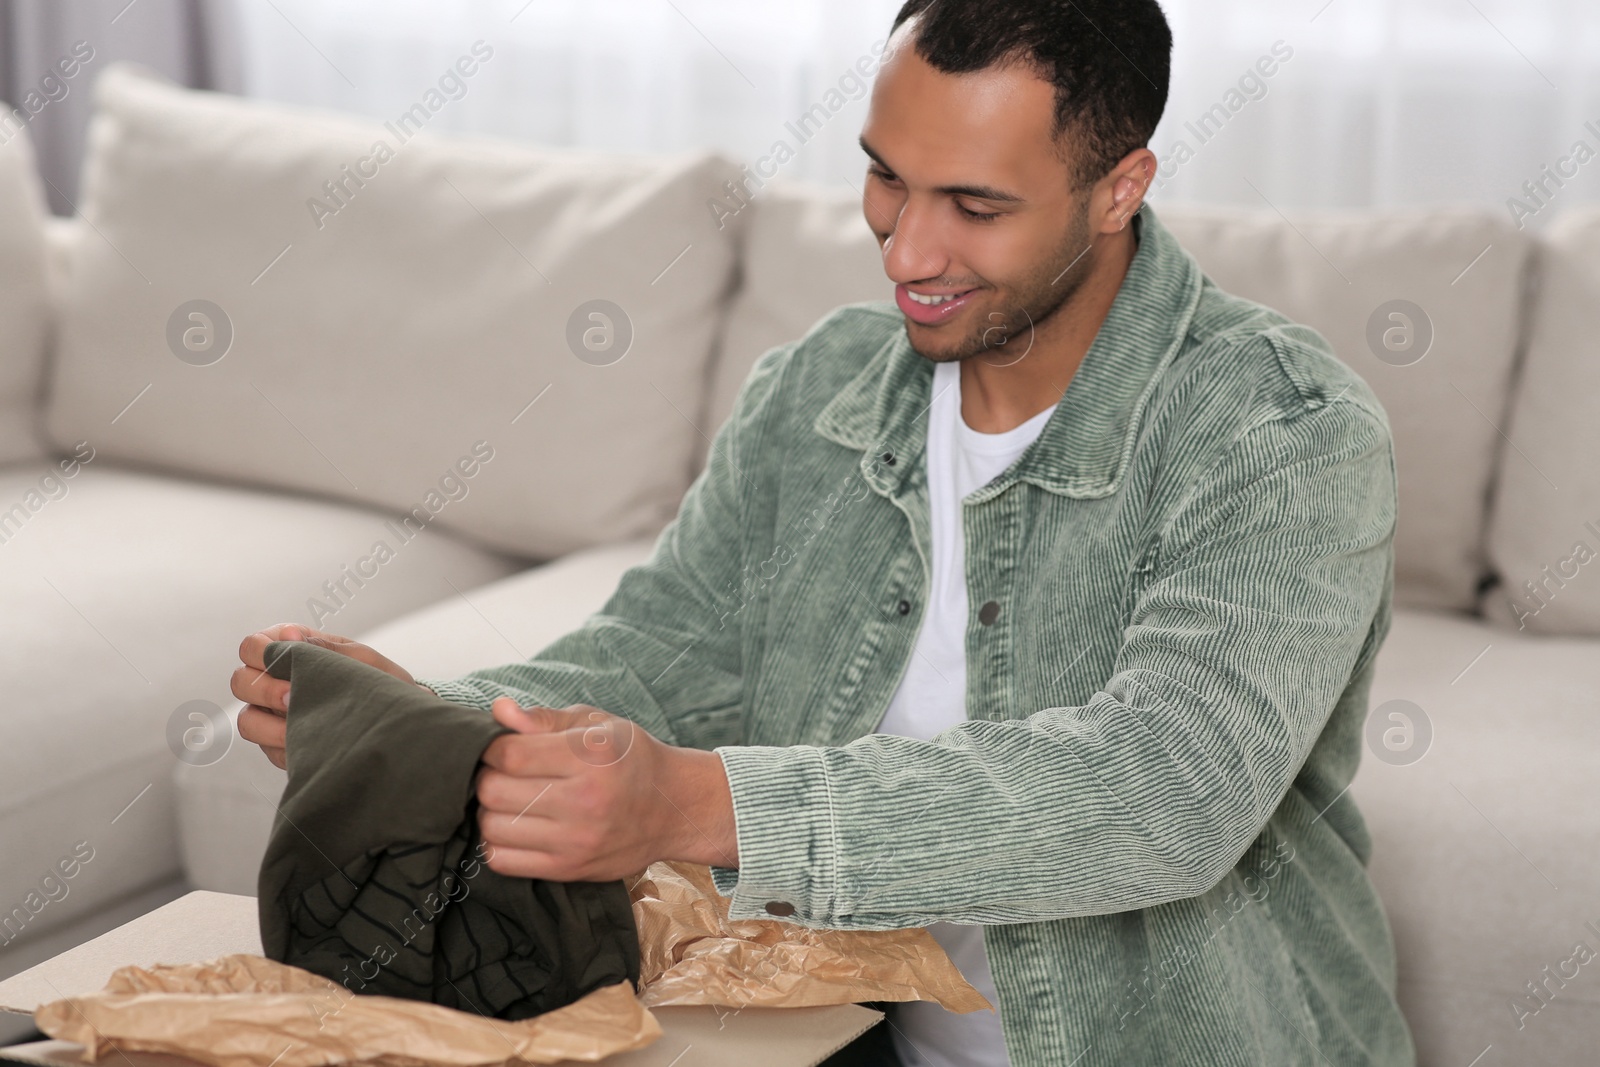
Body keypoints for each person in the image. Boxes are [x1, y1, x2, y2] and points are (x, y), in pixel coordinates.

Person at [234, 2, 1416, 1064]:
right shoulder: (819, 389)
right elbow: (662, 655)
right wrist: (422, 719)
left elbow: (1162, 791)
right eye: (886, 178)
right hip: (842, 1035)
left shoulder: (1281, 428)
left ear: (1120, 187)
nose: (906, 249)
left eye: (976, 206)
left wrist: (693, 803)